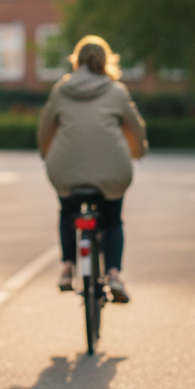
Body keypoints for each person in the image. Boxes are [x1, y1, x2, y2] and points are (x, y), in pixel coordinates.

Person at [37, 36, 147, 303]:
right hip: (112, 172)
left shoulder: (61, 91)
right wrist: (138, 152)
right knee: (112, 220)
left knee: (67, 210)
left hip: (65, 170)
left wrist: (46, 154)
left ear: (76, 61)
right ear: (106, 62)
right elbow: (135, 129)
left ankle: (67, 268)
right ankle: (113, 275)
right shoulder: (116, 92)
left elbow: (45, 131)